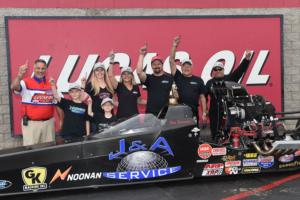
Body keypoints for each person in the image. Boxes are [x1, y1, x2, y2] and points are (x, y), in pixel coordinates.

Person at [206, 51, 252, 141]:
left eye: (220, 69)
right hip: (214, 112)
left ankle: (231, 149)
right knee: (215, 134)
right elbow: (203, 96)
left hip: (230, 112)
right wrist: (205, 111)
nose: (218, 71)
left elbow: (239, 71)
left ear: (223, 70)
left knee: (230, 133)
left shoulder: (229, 78)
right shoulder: (209, 82)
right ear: (213, 71)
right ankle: (217, 150)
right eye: (215, 69)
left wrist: (246, 60)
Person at [11, 59, 56, 146]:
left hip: (48, 124)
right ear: (34, 69)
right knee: (32, 154)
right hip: (32, 125)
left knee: (49, 153)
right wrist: (20, 75)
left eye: (43, 68)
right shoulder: (25, 82)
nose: (40, 71)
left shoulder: (51, 84)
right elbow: (14, 86)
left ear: (46, 69)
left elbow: (57, 103)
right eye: (38, 68)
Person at [169, 36, 207, 124]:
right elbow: (171, 60)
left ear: (192, 67)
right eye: (184, 66)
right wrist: (174, 46)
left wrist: (204, 113)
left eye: (188, 65)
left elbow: (202, 98)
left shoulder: (198, 80)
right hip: (178, 112)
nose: (186, 67)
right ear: (181, 67)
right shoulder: (177, 76)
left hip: (193, 112)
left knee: (194, 134)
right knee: (179, 135)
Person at [107, 51, 146, 119]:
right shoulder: (118, 86)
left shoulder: (136, 87)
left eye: (128, 74)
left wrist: (154, 102)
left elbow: (139, 101)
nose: (126, 76)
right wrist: (111, 61)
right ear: (121, 76)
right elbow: (110, 76)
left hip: (135, 118)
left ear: (132, 76)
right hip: (121, 118)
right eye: (124, 74)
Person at [136, 45, 173, 116]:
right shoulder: (149, 78)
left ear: (162, 65)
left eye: (158, 64)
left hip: (166, 113)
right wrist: (141, 55)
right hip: (150, 113)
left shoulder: (169, 78)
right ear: (151, 66)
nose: (156, 66)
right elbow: (139, 72)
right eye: (154, 64)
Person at [82, 62, 114, 132]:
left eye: (101, 70)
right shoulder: (90, 85)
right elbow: (82, 98)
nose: (99, 72)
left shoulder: (110, 85)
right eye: (97, 70)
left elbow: (112, 100)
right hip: (96, 119)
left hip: (109, 119)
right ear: (94, 72)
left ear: (104, 72)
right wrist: (83, 85)